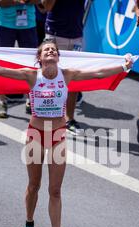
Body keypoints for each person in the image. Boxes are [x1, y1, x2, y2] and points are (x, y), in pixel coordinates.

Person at [0, 40, 133, 227]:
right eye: (46, 50)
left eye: (53, 49)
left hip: (58, 137)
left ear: (58, 57)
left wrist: (124, 66)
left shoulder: (68, 75)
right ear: (39, 58)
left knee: (55, 190)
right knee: (34, 185)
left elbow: (98, 73)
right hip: (35, 135)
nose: (51, 51)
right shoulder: (31, 75)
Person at [42, 0, 86, 135]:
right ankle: (49, 116)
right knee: (51, 77)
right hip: (55, 34)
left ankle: (69, 119)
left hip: (76, 35)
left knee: (74, 79)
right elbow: (46, 6)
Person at [0, 0, 40, 118]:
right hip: (5, 24)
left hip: (29, 24)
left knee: (32, 64)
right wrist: (16, 1)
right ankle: (2, 101)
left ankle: (31, 99)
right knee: (1, 65)